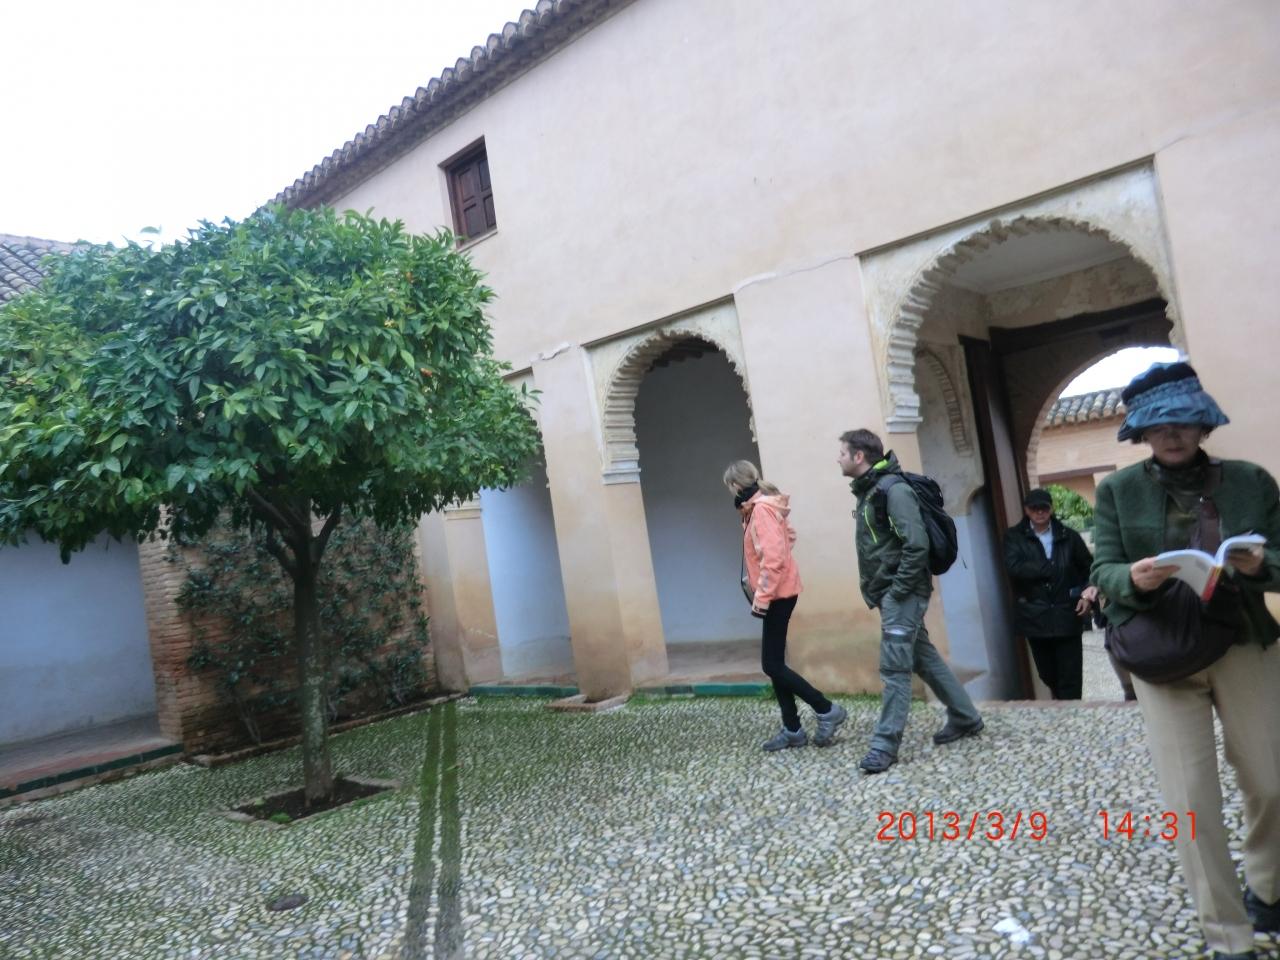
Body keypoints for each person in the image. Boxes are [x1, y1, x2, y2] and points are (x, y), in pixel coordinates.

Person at [1091, 361, 1280, 960]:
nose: (1172, 434)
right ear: (1142, 433)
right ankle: (1228, 935)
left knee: (1272, 781)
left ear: (1203, 424)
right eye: (1158, 425)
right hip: (1162, 652)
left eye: (1183, 421)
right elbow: (1103, 569)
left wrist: (1261, 565)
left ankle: (1268, 889)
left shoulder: (1251, 481)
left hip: (1243, 638)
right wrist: (1133, 578)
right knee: (1191, 802)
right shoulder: (1117, 491)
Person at [837, 429, 983, 774]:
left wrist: (899, 591)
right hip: (891, 592)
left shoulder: (893, 490)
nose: (837, 458)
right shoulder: (871, 490)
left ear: (859, 456)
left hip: (901, 593)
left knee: (894, 668)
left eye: (842, 453)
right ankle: (966, 717)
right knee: (923, 657)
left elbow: (916, 544)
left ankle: (884, 746)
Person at [723, 460, 848, 752]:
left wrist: (762, 597)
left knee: (771, 664)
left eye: (728, 486)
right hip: (780, 591)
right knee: (775, 664)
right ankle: (793, 729)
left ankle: (826, 709)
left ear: (736, 485)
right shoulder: (759, 508)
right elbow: (788, 537)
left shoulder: (761, 510)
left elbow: (775, 558)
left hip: (777, 595)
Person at [1003, 487, 1099, 699]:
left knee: (1071, 675)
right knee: (1047, 672)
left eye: (1044, 508)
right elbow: (1014, 567)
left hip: (1067, 612)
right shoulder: (1014, 537)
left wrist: (1087, 594)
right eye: (1034, 508)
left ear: (1051, 509)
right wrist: (1050, 568)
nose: (1039, 512)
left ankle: (1072, 711)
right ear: (1026, 510)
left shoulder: (1069, 537)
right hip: (1034, 615)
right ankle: (1061, 702)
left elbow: (1089, 569)